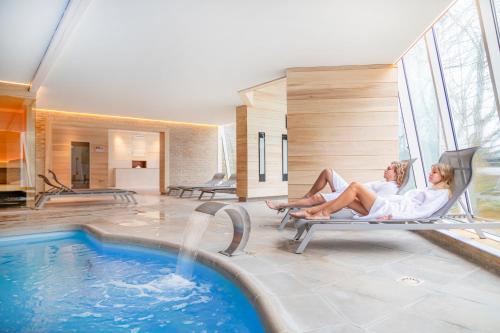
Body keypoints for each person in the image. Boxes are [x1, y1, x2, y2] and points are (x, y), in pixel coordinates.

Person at [290, 163, 453, 221]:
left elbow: (422, 212)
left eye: (435, 172)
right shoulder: (430, 189)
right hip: (389, 205)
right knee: (350, 200)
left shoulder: (442, 194)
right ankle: (310, 211)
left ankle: (321, 213)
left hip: (391, 209)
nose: (430, 174)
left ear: (444, 176)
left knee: (355, 186)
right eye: (431, 171)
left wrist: (394, 216)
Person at [266, 161, 408, 211]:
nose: (385, 169)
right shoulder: (385, 183)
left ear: (396, 174)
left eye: (389, 168)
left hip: (350, 197)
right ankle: (305, 197)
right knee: (328, 172)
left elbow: (376, 205)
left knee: (317, 198)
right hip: (349, 190)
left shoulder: (390, 188)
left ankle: (282, 205)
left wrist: (347, 201)